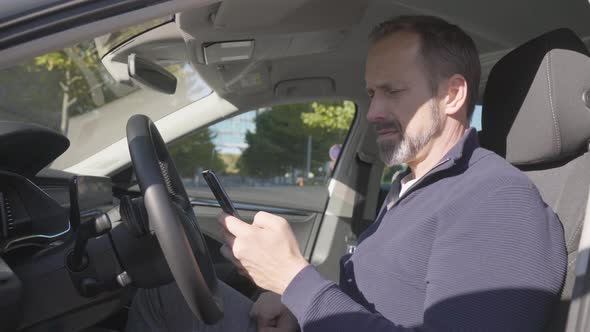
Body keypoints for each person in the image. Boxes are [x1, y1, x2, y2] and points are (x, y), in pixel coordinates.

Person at [126, 15, 566, 331]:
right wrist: (295, 304)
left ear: (452, 95)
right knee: (162, 291)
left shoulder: (499, 204)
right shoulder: (414, 185)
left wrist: (296, 281)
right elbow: (385, 298)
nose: (373, 110)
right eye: (372, 92)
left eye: (392, 91)